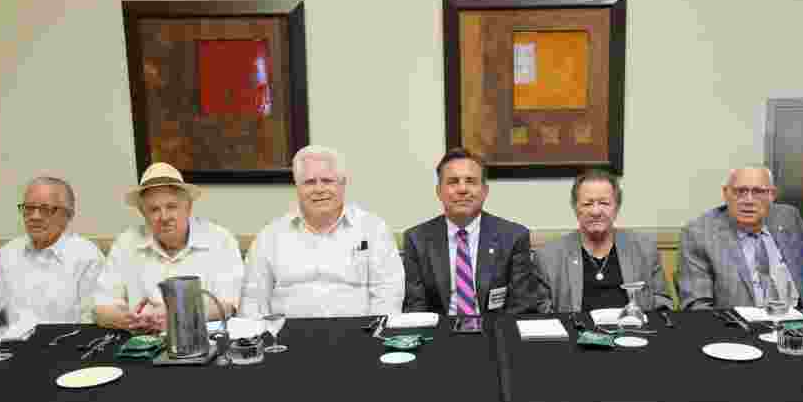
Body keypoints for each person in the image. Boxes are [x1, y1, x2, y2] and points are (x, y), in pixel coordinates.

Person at [240, 145, 404, 317]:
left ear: (342, 184)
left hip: (358, 335)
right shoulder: (270, 236)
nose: (319, 189)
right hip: (288, 338)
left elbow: (388, 295)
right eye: (309, 182)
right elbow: (253, 301)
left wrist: (371, 338)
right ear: (297, 186)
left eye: (327, 181)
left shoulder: (373, 230)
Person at [94, 162, 243, 332]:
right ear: (143, 213)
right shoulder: (126, 242)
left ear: (188, 207)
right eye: (154, 210)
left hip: (202, 342)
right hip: (141, 344)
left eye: (171, 207)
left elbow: (228, 305)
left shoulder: (220, 239)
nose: (164, 217)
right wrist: (127, 319)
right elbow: (102, 307)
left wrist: (177, 315)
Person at [402, 148, 542, 316]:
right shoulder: (417, 239)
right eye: (453, 181)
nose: (462, 189)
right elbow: (416, 308)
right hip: (440, 334)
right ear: (439, 191)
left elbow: (522, 305)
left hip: (496, 332)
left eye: (471, 181)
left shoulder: (514, 237)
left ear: (484, 191)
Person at [676, 166, 803, 310]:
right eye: (740, 191)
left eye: (758, 191)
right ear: (726, 193)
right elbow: (697, 306)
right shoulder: (700, 234)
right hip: (739, 330)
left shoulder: (787, 218)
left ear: (772, 195)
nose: (748, 200)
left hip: (797, 324)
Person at [534, 169, 671, 313]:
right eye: (587, 204)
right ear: (575, 208)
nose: (596, 211)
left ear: (616, 207)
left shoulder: (644, 249)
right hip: (576, 333)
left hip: (634, 332)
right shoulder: (548, 257)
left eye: (604, 203)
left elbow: (662, 302)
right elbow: (542, 312)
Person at [0, 176, 104, 325]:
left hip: (66, 344)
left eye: (46, 209)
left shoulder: (88, 257)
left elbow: (92, 321)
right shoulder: (6, 254)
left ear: (68, 215)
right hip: (8, 344)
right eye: (29, 208)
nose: (35, 216)